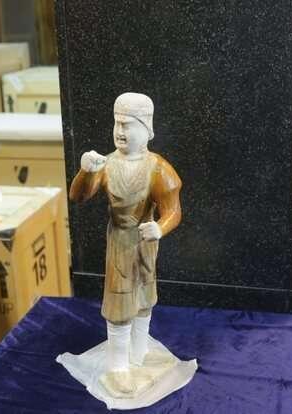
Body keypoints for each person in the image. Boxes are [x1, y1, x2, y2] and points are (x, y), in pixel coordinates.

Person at [69, 92, 182, 393]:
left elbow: (173, 211)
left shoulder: (158, 167)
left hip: (145, 241)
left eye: (128, 125)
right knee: (119, 303)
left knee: (144, 299)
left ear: (146, 129)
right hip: (120, 242)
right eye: (117, 123)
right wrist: (85, 171)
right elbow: (79, 196)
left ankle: (140, 353)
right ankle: (119, 365)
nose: (120, 131)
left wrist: (159, 228)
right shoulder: (106, 164)